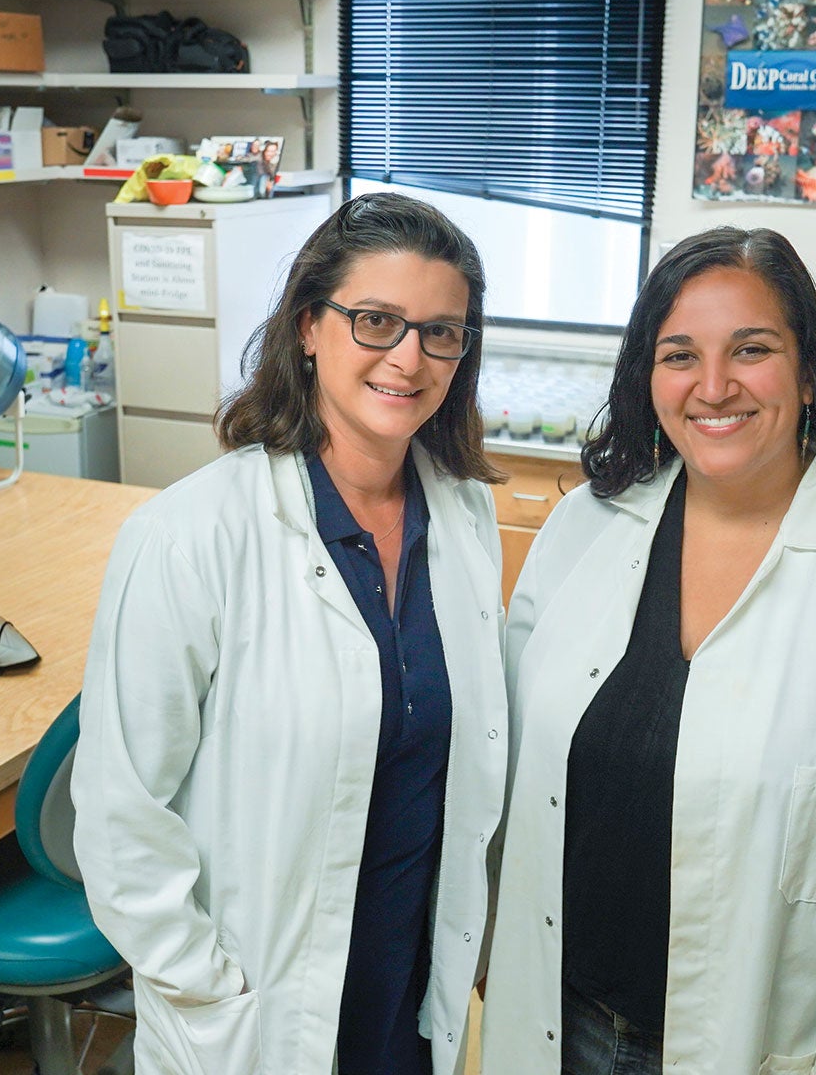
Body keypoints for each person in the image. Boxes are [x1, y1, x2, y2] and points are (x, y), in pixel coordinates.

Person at [481, 226, 816, 1075]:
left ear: (806, 370)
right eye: (679, 354)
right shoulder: (586, 528)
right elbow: (509, 780)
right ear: (647, 377)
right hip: (557, 1018)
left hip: (758, 1049)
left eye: (751, 349)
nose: (714, 386)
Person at [70, 192, 508, 1075]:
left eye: (442, 332)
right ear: (310, 327)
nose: (409, 358)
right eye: (376, 321)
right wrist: (204, 987)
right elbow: (122, 817)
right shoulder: (195, 532)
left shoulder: (463, 516)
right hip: (255, 1013)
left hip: (406, 1000)